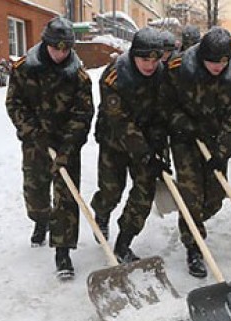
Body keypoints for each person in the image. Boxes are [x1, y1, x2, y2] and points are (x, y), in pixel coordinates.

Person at [5, 17, 94, 279]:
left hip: (66, 142)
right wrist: (32, 132)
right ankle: (41, 220)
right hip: (35, 142)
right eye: (57, 47)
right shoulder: (24, 69)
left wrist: (69, 144)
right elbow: (15, 104)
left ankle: (63, 251)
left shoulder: (78, 76)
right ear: (46, 44)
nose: (61, 53)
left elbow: (83, 113)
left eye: (66, 49)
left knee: (67, 197)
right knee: (36, 193)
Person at [161, 27, 231, 278]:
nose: (218, 67)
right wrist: (181, 124)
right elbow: (165, 103)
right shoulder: (178, 68)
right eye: (212, 62)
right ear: (201, 56)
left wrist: (222, 153)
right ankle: (194, 246)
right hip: (185, 139)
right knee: (191, 195)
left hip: (216, 139)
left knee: (215, 197)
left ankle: (197, 218)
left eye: (222, 62)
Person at [90, 27, 170, 264]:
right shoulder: (114, 75)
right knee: (111, 191)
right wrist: (144, 153)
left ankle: (124, 242)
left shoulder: (161, 75)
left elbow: (161, 113)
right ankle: (101, 215)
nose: (150, 65)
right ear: (134, 55)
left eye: (155, 60)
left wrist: (158, 150)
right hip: (114, 140)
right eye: (145, 59)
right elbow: (119, 120)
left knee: (145, 192)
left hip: (144, 140)